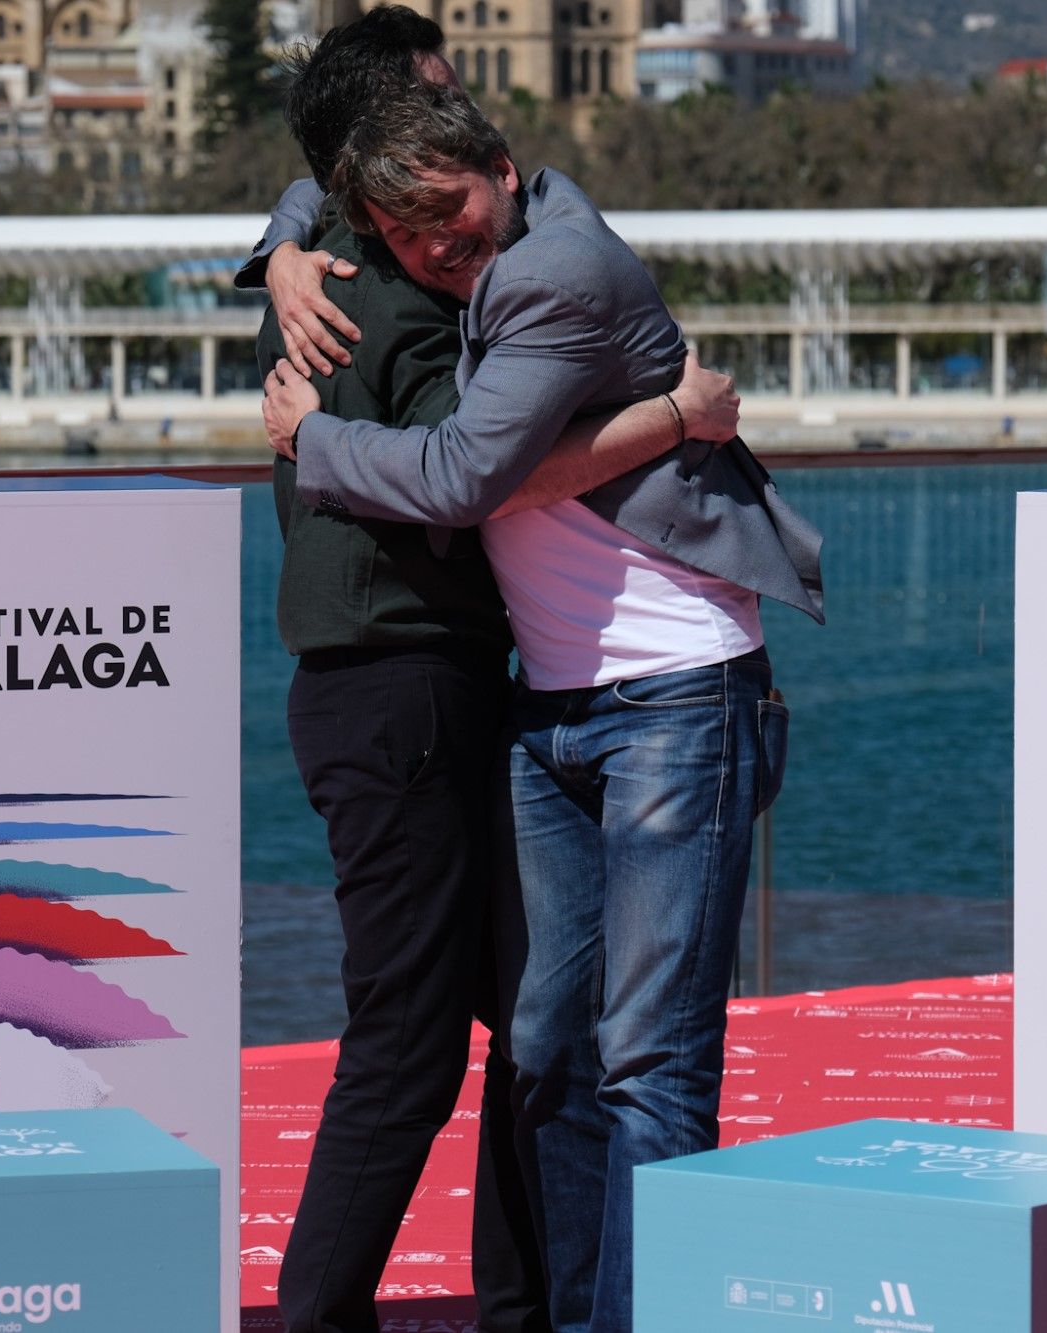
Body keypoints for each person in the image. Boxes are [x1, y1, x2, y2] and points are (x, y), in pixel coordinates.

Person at [260, 81, 824, 1333]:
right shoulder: (480, 241)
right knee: (549, 1049)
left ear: (502, 171)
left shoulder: (547, 274)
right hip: (555, 701)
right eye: (401, 233)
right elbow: (340, 180)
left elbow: (466, 477)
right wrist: (286, 245)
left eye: (447, 214)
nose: (431, 247)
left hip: (671, 688)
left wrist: (308, 441)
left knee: (647, 1058)